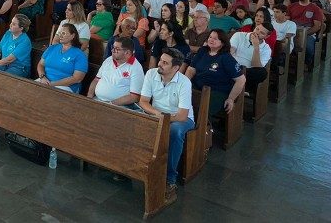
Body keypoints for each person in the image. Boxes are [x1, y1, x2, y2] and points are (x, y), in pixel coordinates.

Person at [139, 48, 194, 203]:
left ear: (176, 68)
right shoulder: (151, 74)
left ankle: (170, 179)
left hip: (180, 119)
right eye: (160, 60)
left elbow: (183, 115)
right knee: (135, 123)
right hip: (158, 114)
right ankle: (138, 167)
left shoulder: (184, 82)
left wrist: (163, 119)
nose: (159, 64)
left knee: (174, 132)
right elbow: (143, 102)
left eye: (165, 62)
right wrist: (157, 114)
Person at [185, 30, 246, 116]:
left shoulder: (226, 58)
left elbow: (241, 80)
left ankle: (202, 127)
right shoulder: (202, 51)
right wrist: (184, 84)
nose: (211, 40)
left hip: (217, 91)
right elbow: (191, 70)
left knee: (200, 111)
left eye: (215, 39)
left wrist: (231, 99)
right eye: (210, 37)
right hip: (198, 87)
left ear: (223, 43)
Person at [87, 37, 145, 106]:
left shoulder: (136, 68)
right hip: (97, 100)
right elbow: (96, 80)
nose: (112, 50)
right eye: (113, 47)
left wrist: (110, 104)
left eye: (117, 49)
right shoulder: (108, 60)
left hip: (119, 107)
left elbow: (134, 97)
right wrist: (89, 97)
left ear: (127, 52)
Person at [35, 23, 88, 93]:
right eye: (59, 33)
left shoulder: (80, 55)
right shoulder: (52, 48)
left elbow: (77, 78)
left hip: (66, 87)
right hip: (44, 81)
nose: (60, 35)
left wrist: (52, 84)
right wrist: (42, 77)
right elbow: (41, 64)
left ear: (73, 36)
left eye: (63, 33)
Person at [230, 23, 273, 92]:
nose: (257, 33)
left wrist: (256, 47)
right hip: (233, 66)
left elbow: (257, 67)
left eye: (261, 33)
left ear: (267, 36)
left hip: (247, 72)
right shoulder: (239, 35)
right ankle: (237, 89)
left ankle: (239, 89)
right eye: (257, 29)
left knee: (262, 73)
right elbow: (230, 52)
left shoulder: (266, 49)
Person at [288, 0, 324, 67]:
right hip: (293, 31)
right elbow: (287, 21)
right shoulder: (291, 6)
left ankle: (307, 63)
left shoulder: (315, 9)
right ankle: (287, 64)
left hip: (308, 33)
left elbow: (317, 26)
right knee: (284, 45)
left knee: (308, 48)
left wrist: (303, 34)